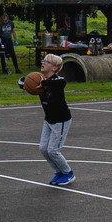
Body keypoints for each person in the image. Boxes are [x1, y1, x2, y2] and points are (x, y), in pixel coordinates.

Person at [32, 53, 74, 185]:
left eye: (47, 62)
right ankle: (59, 171)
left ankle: (68, 173)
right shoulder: (39, 80)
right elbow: (23, 82)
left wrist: (43, 83)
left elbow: (60, 83)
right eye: (43, 60)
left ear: (54, 68)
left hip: (61, 120)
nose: (43, 62)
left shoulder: (58, 81)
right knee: (43, 149)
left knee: (53, 150)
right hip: (49, 119)